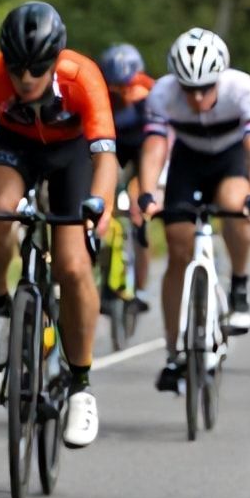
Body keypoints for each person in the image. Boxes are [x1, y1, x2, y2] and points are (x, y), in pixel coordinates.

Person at [0, 1, 115, 449]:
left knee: (72, 264)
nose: (25, 78)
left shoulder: (82, 76)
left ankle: (81, 385)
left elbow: (106, 156)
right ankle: (1, 307)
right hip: (15, 148)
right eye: (17, 67)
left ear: (55, 60)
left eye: (37, 67)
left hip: (71, 157)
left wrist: (98, 205)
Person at [139, 28, 250, 390]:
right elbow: (154, 148)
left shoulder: (241, 89)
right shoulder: (162, 93)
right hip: (188, 161)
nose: (196, 97)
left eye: (205, 88)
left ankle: (240, 285)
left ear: (220, 77)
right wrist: (148, 192)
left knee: (234, 204)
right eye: (188, 89)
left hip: (229, 160)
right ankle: (173, 351)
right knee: (178, 246)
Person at [98, 43, 157, 307]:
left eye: (127, 87)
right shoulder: (99, 94)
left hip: (141, 149)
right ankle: (106, 276)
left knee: (138, 213)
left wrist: (144, 189)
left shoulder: (150, 93)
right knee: (105, 209)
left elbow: (155, 145)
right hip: (111, 147)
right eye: (115, 88)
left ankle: (140, 286)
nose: (121, 93)